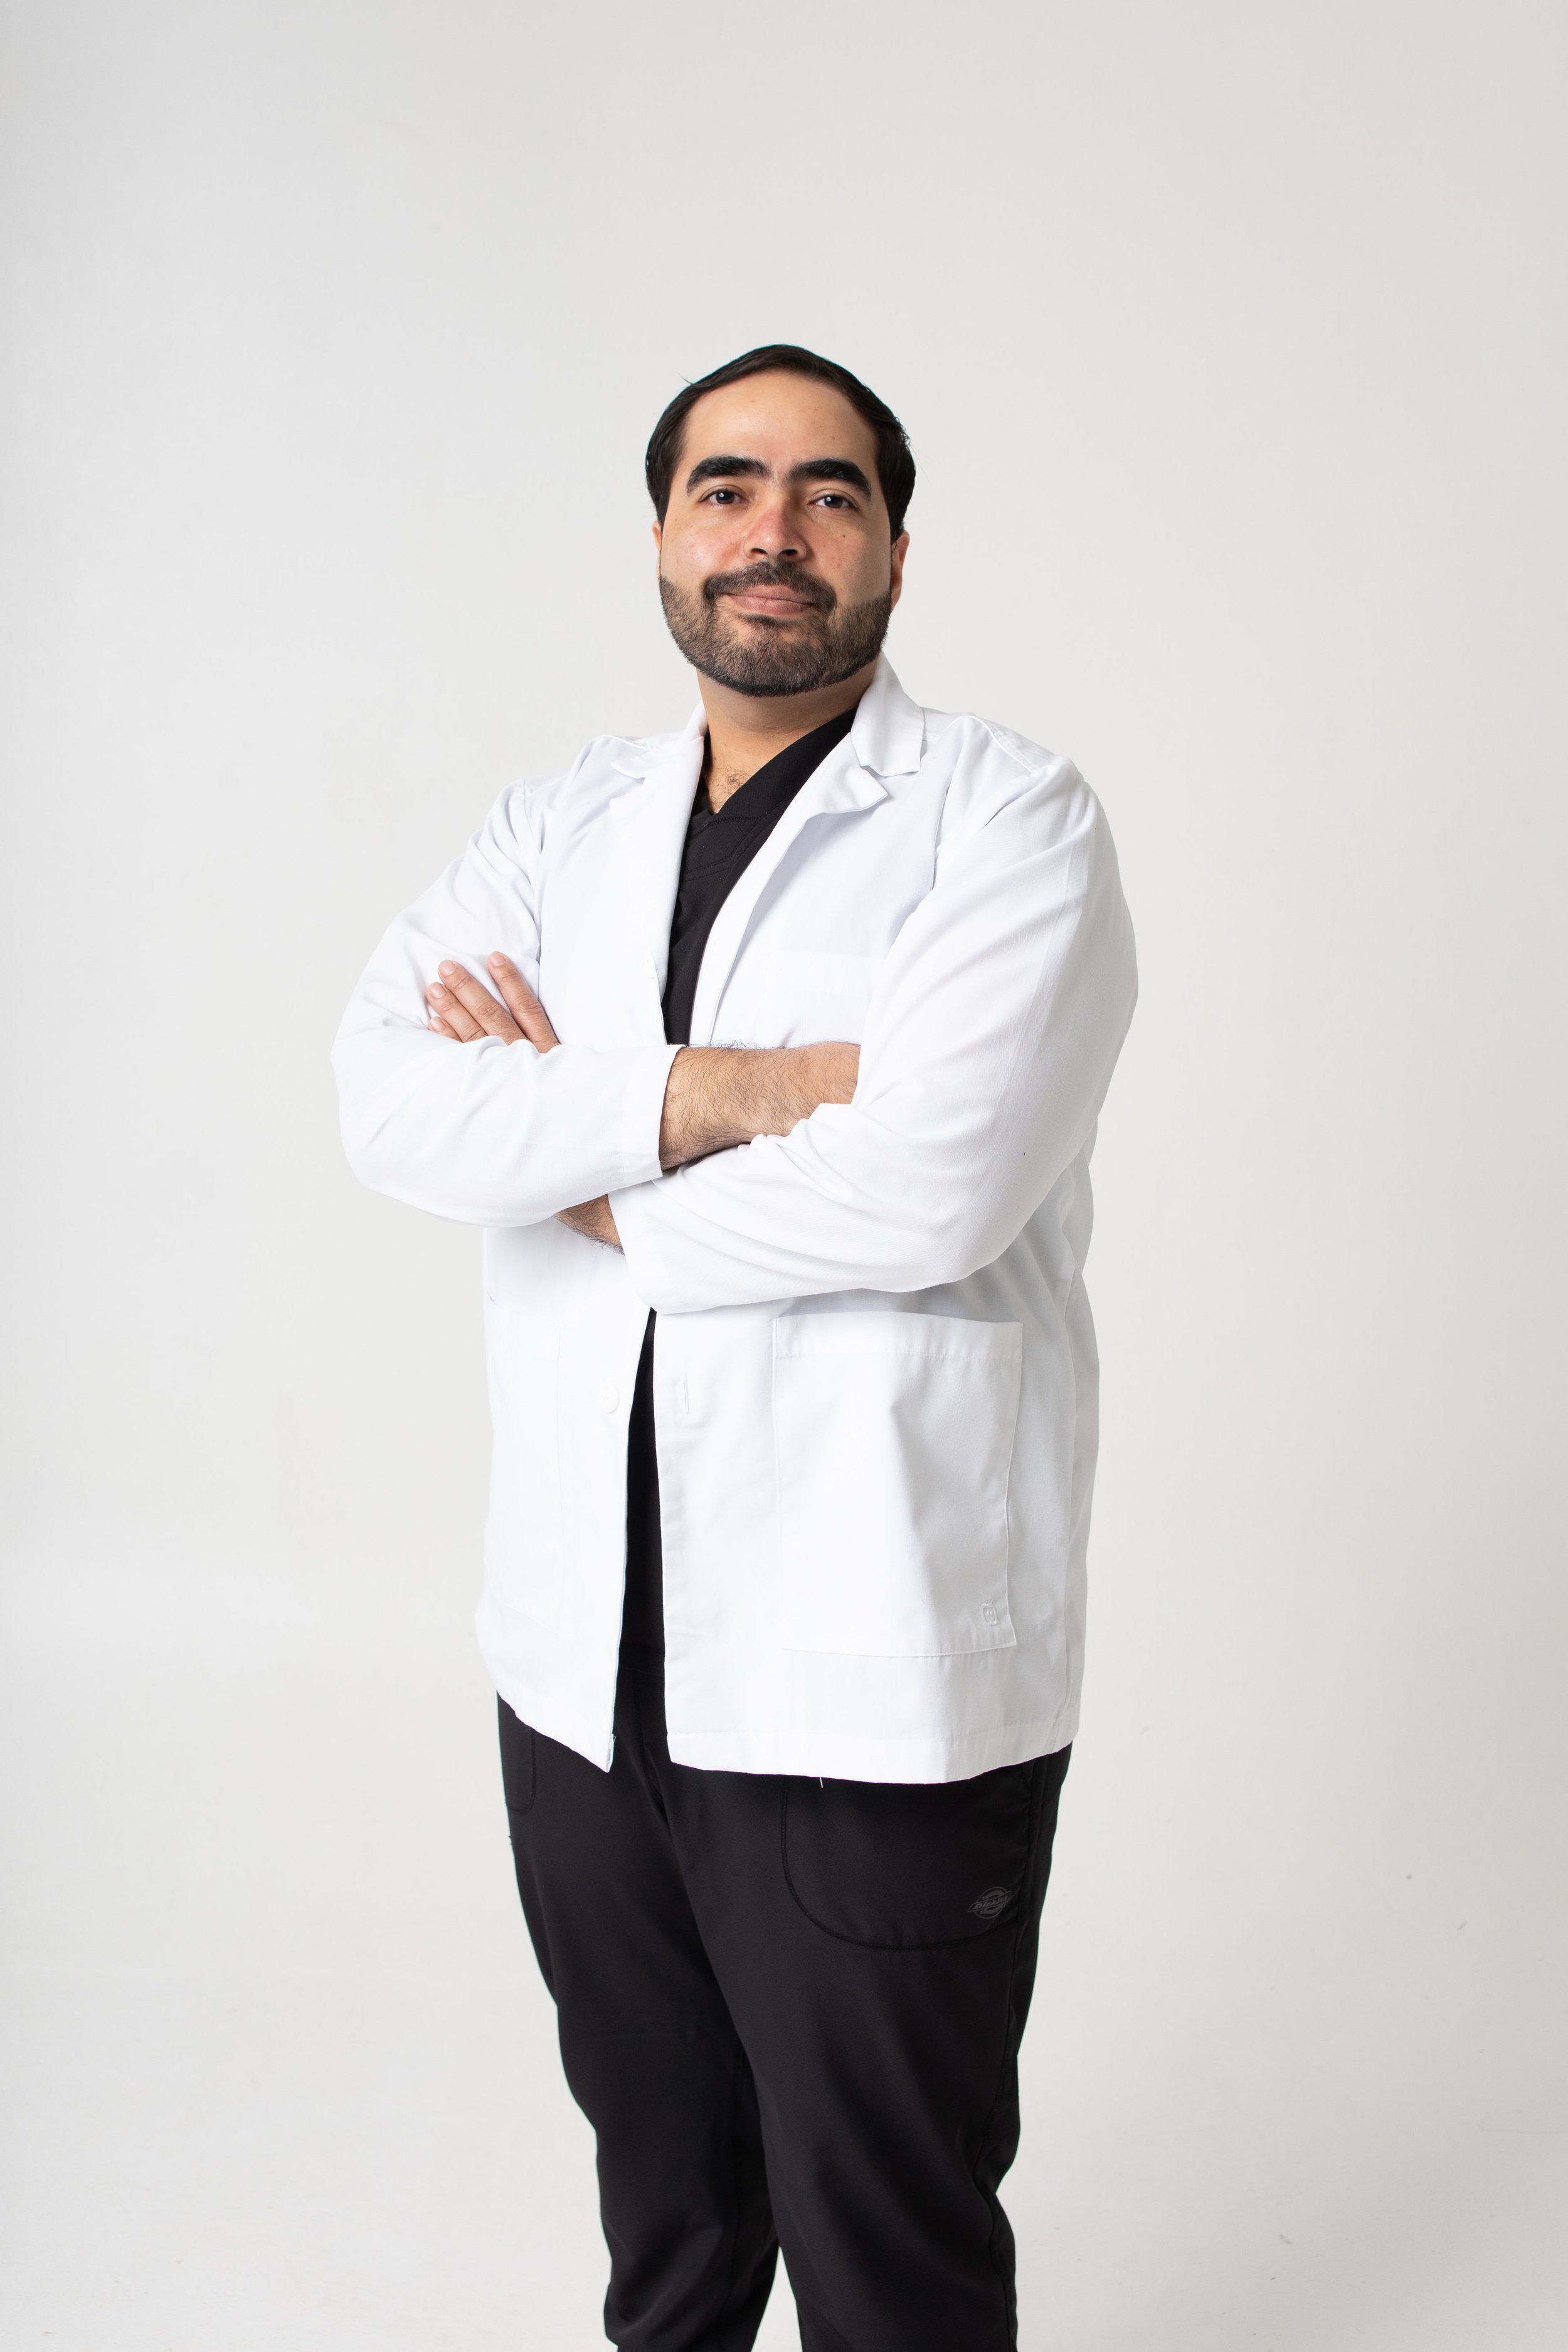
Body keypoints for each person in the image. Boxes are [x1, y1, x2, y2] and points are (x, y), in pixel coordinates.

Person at [333, 343, 1137, 2352]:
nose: (772, 531)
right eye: (725, 486)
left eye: (829, 491)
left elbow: (931, 1188)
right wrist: (752, 1087)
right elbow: (388, 1100)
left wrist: (583, 1148)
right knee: (669, 2217)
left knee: (891, 2242)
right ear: (666, 532)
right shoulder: (556, 823)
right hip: (585, 1672)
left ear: (889, 546)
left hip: (858, 1675)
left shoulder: (1006, 819)